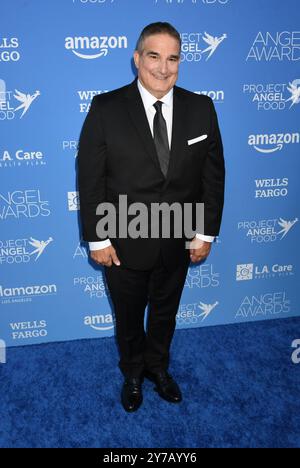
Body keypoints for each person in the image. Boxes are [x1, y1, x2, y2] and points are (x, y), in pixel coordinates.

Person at [78, 22, 225, 412]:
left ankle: (157, 368)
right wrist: (98, 238)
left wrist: (205, 232)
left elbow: (213, 176)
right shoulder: (106, 108)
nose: (164, 68)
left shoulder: (201, 107)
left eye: (173, 58)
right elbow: (91, 178)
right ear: (137, 59)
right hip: (123, 239)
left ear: (180, 61)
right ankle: (132, 373)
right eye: (154, 56)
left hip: (178, 238)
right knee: (128, 317)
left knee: (165, 312)